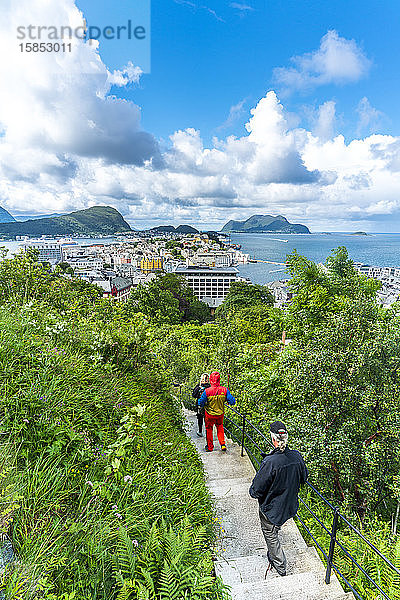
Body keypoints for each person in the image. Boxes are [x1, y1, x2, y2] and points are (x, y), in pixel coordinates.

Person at [249, 421, 308, 577]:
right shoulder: (296, 456)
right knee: (275, 526)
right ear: (286, 438)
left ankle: (280, 565)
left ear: (273, 439)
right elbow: (304, 478)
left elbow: (256, 490)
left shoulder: (270, 462)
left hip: (272, 509)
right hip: (289, 505)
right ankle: (276, 543)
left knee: (270, 533)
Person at [198, 371, 236, 452]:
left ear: (211, 380)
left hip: (209, 414)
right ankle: (222, 444)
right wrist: (226, 399)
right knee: (220, 427)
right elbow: (232, 401)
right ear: (219, 380)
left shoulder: (207, 391)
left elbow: (200, 403)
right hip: (220, 414)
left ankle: (210, 447)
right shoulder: (225, 390)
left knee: (209, 429)